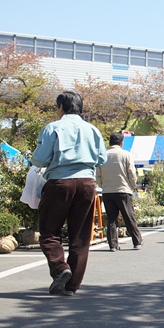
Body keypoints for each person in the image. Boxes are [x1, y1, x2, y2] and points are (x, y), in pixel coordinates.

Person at [31, 91, 107, 296]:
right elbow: (102, 159)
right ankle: (71, 285)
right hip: (86, 184)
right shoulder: (93, 130)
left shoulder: (53, 128)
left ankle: (60, 268)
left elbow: (39, 159)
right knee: (80, 236)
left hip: (59, 183)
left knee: (49, 231)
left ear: (61, 107)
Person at [96, 132, 143, 251]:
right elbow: (131, 173)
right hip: (123, 189)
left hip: (107, 190)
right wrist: (132, 186)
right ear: (121, 143)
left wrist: (103, 185)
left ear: (109, 142)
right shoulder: (126, 154)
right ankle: (137, 241)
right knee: (129, 216)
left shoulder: (102, 155)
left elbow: (98, 175)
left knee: (111, 218)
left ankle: (113, 245)